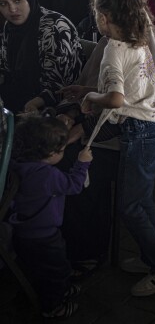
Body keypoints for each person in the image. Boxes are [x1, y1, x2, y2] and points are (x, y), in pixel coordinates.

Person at [82, 0, 155, 296]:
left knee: (130, 208)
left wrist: (89, 96)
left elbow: (114, 98)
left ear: (104, 16)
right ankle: (151, 257)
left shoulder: (113, 46)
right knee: (141, 202)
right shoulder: (139, 39)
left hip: (139, 134)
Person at [10, 116, 93, 319]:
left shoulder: (17, 165)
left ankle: (34, 295)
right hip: (45, 235)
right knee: (56, 269)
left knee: (34, 267)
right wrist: (82, 163)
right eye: (61, 150)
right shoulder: (46, 174)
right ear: (49, 153)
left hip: (22, 232)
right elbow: (73, 185)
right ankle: (53, 306)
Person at [0, 0, 83, 114]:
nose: (12, 9)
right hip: (20, 98)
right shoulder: (10, 27)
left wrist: (33, 104)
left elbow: (60, 86)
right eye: (3, 4)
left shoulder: (54, 27)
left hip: (56, 106)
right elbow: (5, 69)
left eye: (17, 1)